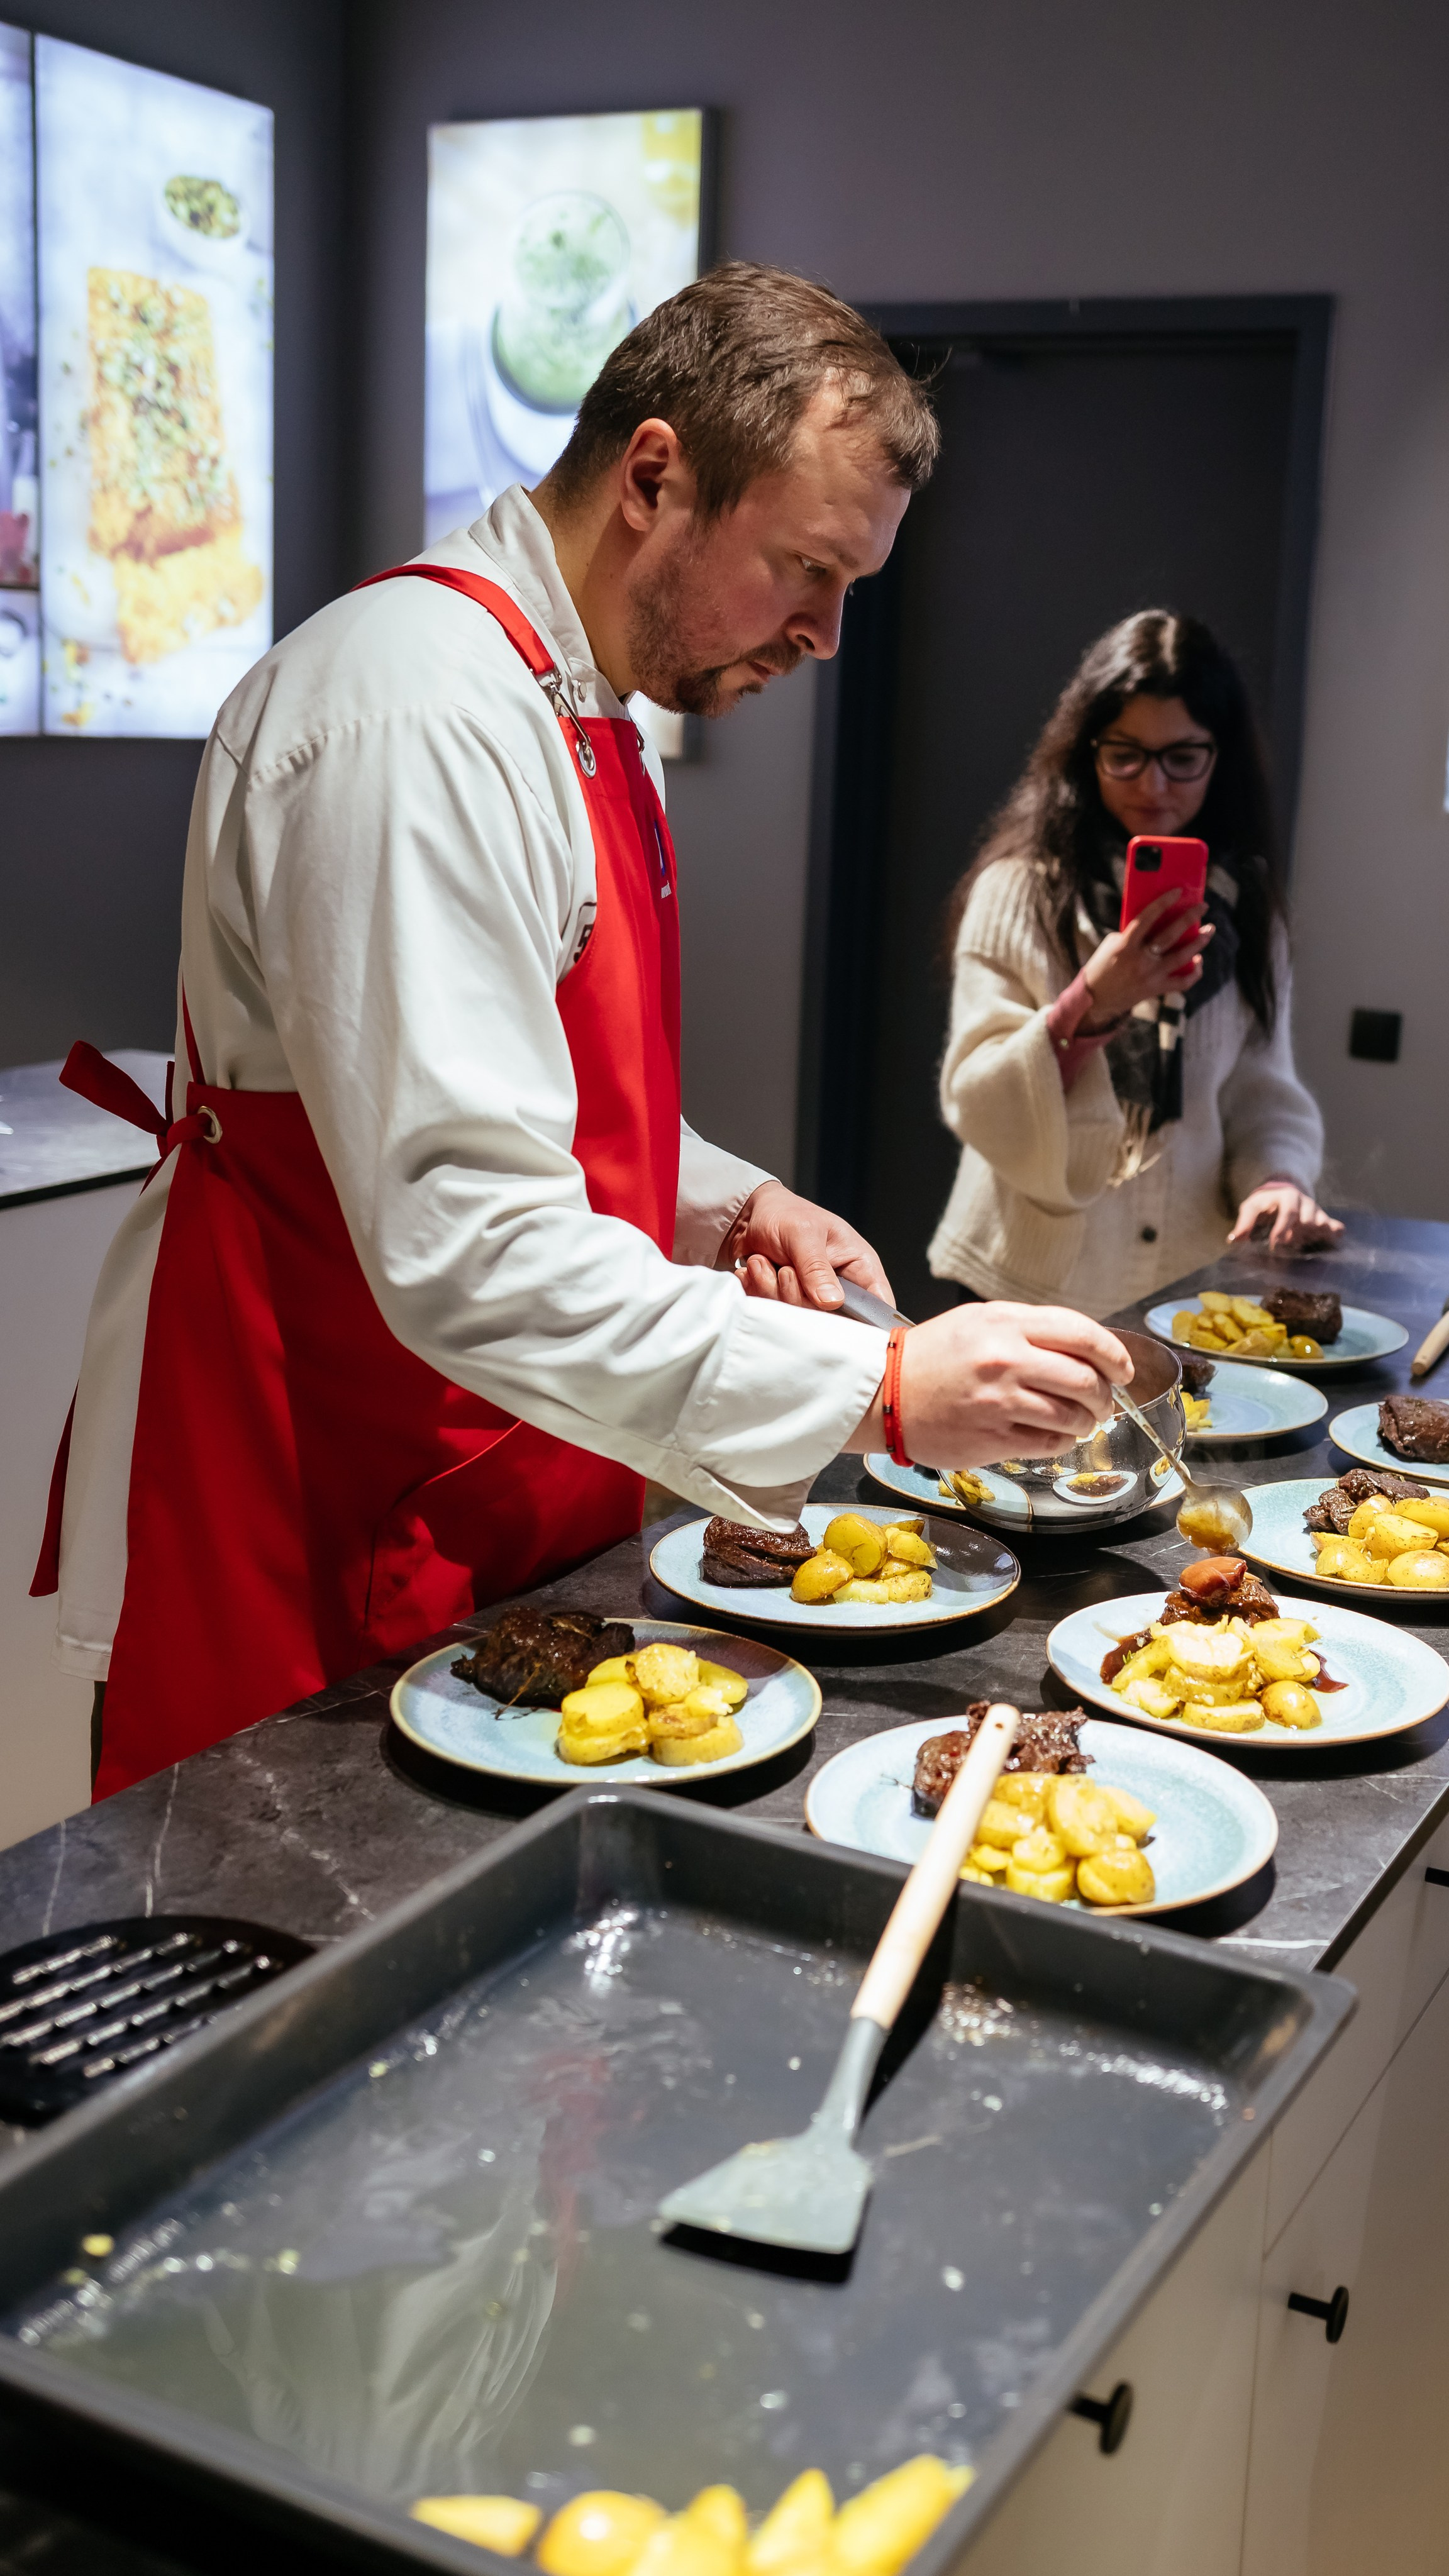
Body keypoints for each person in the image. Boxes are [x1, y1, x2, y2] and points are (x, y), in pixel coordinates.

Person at [35, 264, 1131, 1798]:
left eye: (852, 590)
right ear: (656, 474)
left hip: (507, 1456)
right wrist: (876, 1392)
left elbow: (523, 1092)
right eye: (806, 570)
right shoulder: (416, 714)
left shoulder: (588, 709)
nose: (825, 634)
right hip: (328, 1477)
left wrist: (725, 1199)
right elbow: (469, 1241)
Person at [929, 609, 1340, 1319]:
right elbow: (979, 1099)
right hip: (1028, 1283)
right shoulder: (1019, 891)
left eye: (1183, 757)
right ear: (1085, 752)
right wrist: (1094, 1001)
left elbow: (1257, 1093)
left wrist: (1277, 1180)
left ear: (1221, 757)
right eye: (1126, 754)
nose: (1154, 786)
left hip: (1186, 1289)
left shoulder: (1244, 911)